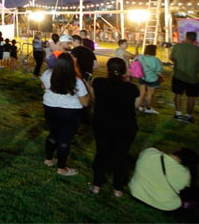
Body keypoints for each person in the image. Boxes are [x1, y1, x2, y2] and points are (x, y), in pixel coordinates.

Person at [90, 58, 139, 197]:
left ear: (108, 69)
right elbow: (136, 105)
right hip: (125, 126)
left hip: (103, 124)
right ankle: (118, 188)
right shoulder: (131, 88)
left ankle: (97, 185)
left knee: (101, 153)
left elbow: (93, 97)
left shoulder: (98, 83)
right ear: (124, 70)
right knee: (121, 155)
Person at [41, 53, 92, 176]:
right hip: (70, 112)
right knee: (65, 138)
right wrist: (88, 90)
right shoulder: (77, 81)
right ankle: (61, 168)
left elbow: (42, 86)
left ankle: (48, 159)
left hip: (50, 108)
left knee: (53, 134)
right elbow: (85, 102)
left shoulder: (47, 74)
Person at [129, 148, 199, 211]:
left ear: (177, 150)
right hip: (163, 206)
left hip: (136, 193)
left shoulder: (149, 152)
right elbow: (184, 190)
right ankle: (189, 206)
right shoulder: (185, 175)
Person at [170, 31, 199, 123]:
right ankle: (188, 116)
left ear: (186, 37)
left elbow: (171, 57)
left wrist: (178, 62)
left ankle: (178, 114)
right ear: (195, 39)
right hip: (193, 77)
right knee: (191, 97)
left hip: (178, 75)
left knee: (178, 94)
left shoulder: (177, 46)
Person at [136, 45, 163, 114]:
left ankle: (140, 106)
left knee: (142, 92)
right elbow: (159, 70)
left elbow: (135, 61)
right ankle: (148, 108)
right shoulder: (156, 60)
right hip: (152, 79)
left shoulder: (140, 57)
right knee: (150, 94)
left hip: (142, 77)